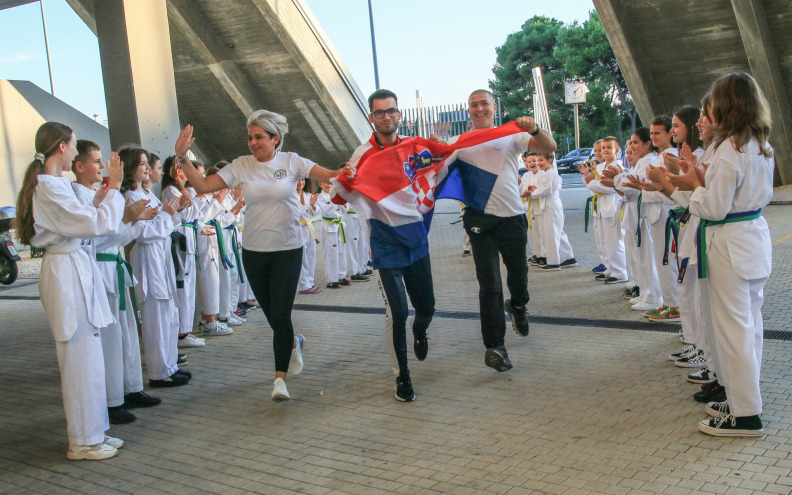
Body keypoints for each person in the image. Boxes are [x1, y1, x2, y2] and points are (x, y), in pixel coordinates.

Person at [175, 110, 353, 402]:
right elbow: (204, 186)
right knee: (273, 316)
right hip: (255, 253)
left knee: (281, 315)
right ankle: (293, 342)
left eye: (259, 137)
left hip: (288, 250)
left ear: (275, 139)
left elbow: (330, 175)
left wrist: (347, 170)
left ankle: (279, 380)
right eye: (250, 137)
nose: (253, 142)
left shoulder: (291, 161)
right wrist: (182, 157)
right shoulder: (242, 166)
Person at [659, 73, 773, 437]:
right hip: (751, 237)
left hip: (729, 243)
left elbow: (714, 207)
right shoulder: (758, 143)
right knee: (748, 326)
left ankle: (746, 413)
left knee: (732, 329)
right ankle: (744, 397)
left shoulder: (730, 150)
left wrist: (693, 185)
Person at [15, 122, 137, 460]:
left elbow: (84, 217)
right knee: (79, 358)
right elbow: (94, 224)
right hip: (66, 272)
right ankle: (82, 440)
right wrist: (112, 189)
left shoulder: (55, 184)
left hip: (77, 267)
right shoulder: (48, 186)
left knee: (90, 356)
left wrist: (100, 197)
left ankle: (95, 432)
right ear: (62, 147)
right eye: (72, 144)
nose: (74, 149)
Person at [448, 89, 556, 372]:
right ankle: (496, 347)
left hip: (512, 218)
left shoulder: (511, 134)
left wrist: (534, 127)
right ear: (468, 110)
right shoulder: (458, 143)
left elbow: (549, 147)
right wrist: (435, 147)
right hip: (479, 221)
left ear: (494, 107)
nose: (479, 108)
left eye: (484, 103)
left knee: (518, 276)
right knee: (490, 286)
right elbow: (432, 165)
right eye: (474, 105)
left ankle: (518, 306)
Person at [340, 89, 436, 401]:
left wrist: (443, 149)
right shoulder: (362, 153)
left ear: (399, 113)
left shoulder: (414, 146)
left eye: (390, 111)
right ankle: (402, 377)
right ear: (371, 117)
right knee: (397, 313)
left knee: (427, 308)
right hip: (384, 245)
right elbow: (339, 195)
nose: (386, 117)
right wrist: (345, 178)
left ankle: (420, 330)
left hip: (416, 239)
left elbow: (439, 164)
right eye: (379, 112)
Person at [70, 140, 160, 425]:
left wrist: (131, 221)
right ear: (79, 166)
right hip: (100, 269)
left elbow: (112, 235)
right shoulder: (76, 195)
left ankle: (131, 387)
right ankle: (112, 399)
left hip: (114, 267)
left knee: (126, 333)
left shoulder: (96, 193)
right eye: (97, 161)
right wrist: (128, 220)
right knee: (110, 338)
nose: (102, 167)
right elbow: (94, 239)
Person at [121, 147, 190, 388]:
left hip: (161, 255)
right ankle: (159, 373)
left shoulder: (146, 193)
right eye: (142, 164)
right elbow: (143, 233)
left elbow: (165, 223)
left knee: (169, 313)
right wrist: (166, 215)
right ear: (131, 168)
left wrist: (175, 211)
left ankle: (170, 366)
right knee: (155, 316)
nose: (148, 168)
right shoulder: (130, 197)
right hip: (149, 256)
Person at [529, 152, 576, 271]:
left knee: (552, 233)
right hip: (549, 204)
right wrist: (536, 190)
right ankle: (568, 257)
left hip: (551, 205)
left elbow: (546, 190)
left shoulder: (550, 173)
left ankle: (554, 261)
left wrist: (533, 192)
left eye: (541, 160)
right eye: (538, 160)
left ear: (549, 161)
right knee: (558, 232)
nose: (539, 163)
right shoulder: (548, 173)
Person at [316, 180, 348, 288]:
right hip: (329, 226)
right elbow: (327, 211)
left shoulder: (336, 195)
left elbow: (344, 210)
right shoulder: (320, 197)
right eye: (326, 183)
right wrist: (336, 202)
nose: (328, 185)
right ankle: (331, 279)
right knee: (331, 253)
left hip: (339, 225)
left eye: (330, 183)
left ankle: (341, 276)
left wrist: (341, 202)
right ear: (320, 184)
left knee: (341, 251)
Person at [296, 178, 321, 294]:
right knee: (301, 257)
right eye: (297, 180)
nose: (300, 183)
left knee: (311, 255)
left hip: (308, 228)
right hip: (297, 229)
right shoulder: (288, 196)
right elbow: (296, 213)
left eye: (302, 180)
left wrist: (312, 205)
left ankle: (310, 281)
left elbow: (316, 212)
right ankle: (303, 284)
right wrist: (304, 206)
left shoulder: (308, 195)